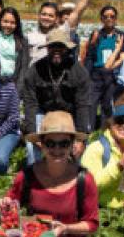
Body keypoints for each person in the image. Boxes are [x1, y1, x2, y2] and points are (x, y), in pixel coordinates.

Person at [0, 111, 100, 237]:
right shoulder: (27, 176)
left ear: (72, 144)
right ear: (41, 145)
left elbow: (92, 223)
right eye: (51, 143)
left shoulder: (84, 179)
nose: (57, 149)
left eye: (64, 143)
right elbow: (11, 203)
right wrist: (7, 204)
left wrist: (66, 228)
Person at [20, 27, 95, 164]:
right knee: (32, 148)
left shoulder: (79, 72)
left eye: (61, 47)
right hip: (43, 113)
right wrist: (33, 134)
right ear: (47, 48)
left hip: (71, 114)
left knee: (80, 150)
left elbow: (82, 105)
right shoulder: (35, 70)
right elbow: (30, 104)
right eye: (52, 47)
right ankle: (35, 179)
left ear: (67, 48)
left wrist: (80, 138)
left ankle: (75, 180)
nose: (56, 51)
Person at [24, 0, 95, 65]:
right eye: (44, 14)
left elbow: (76, 13)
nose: (46, 18)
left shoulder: (62, 32)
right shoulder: (29, 37)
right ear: (39, 16)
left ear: (57, 19)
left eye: (50, 16)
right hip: (34, 77)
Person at [82, 5, 124, 118]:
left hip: (112, 73)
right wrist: (86, 74)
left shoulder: (122, 36)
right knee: (91, 103)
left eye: (112, 16)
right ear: (101, 19)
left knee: (107, 104)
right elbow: (90, 56)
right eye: (105, 16)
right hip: (96, 73)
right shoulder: (96, 35)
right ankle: (89, 131)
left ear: (116, 18)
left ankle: (105, 129)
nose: (109, 19)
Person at [0, 7, 29, 82]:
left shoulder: (22, 41)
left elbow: (23, 67)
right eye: (5, 21)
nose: (8, 25)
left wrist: (18, 89)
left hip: (12, 83)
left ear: (17, 24)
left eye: (12, 23)